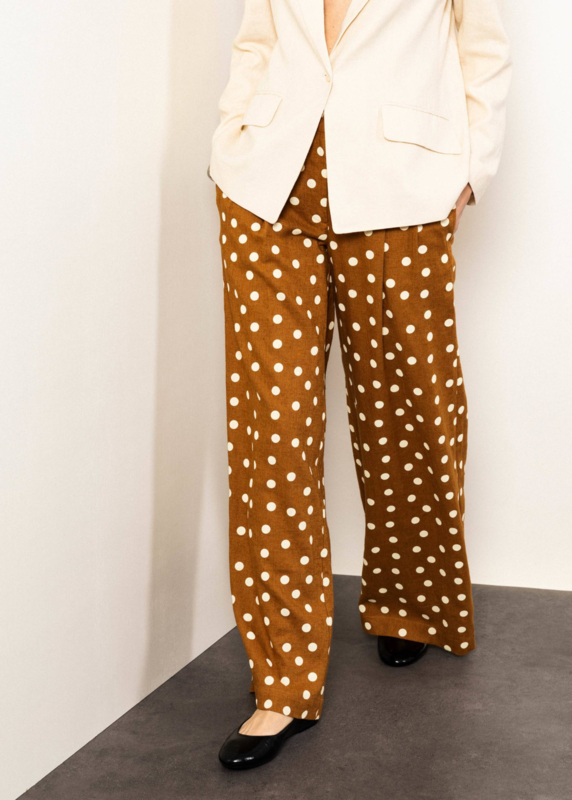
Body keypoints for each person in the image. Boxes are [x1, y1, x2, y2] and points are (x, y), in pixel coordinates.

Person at [208, 0, 511, 771]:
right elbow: (257, 38)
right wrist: (230, 138)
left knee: (408, 415)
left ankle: (410, 604)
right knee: (273, 436)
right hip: (266, 189)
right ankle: (282, 681)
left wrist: (471, 170)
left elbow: (484, 49)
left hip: (401, 192)